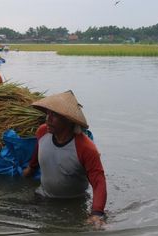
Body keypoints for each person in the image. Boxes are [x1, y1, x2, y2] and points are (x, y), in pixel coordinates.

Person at [22, 91, 108, 228]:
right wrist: (31, 168)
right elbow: (38, 152)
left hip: (72, 202)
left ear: (68, 120)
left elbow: (99, 182)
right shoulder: (42, 132)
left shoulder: (86, 148)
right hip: (42, 196)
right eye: (48, 114)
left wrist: (97, 213)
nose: (48, 119)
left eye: (54, 115)